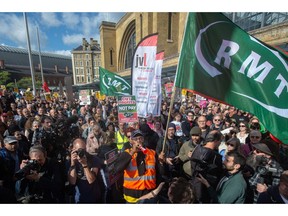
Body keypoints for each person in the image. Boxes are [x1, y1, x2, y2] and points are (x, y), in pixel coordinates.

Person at [114, 130, 160, 203]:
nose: (138, 141)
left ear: (143, 140)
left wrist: (162, 162)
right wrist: (132, 152)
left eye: (140, 138)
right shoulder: (127, 153)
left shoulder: (152, 153)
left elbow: (159, 173)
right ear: (131, 141)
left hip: (149, 195)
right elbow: (117, 169)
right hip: (132, 197)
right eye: (135, 139)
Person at [190, 130, 224, 203]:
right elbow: (217, 174)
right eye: (220, 141)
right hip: (206, 190)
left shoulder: (196, 148)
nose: (220, 143)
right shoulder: (216, 156)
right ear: (215, 140)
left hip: (194, 185)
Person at [68, 138, 102, 203]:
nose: (82, 153)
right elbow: (72, 182)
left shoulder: (94, 159)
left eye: (83, 150)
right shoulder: (70, 162)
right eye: (79, 150)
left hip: (93, 197)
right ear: (73, 150)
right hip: (78, 198)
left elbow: (91, 180)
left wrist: (84, 165)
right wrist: (73, 164)